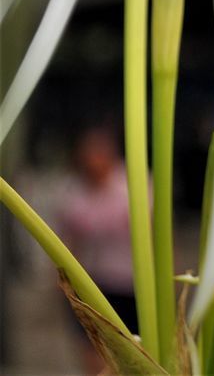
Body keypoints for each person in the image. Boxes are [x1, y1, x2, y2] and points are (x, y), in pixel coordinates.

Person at [58, 127, 136, 371]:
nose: (94, 161)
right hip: (92, 281)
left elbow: (159, 233)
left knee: (131, 346)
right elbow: (69, 240)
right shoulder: (73, 192)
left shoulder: (135, 186)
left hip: (129, 283)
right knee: (91, 344)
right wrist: (62, 281)